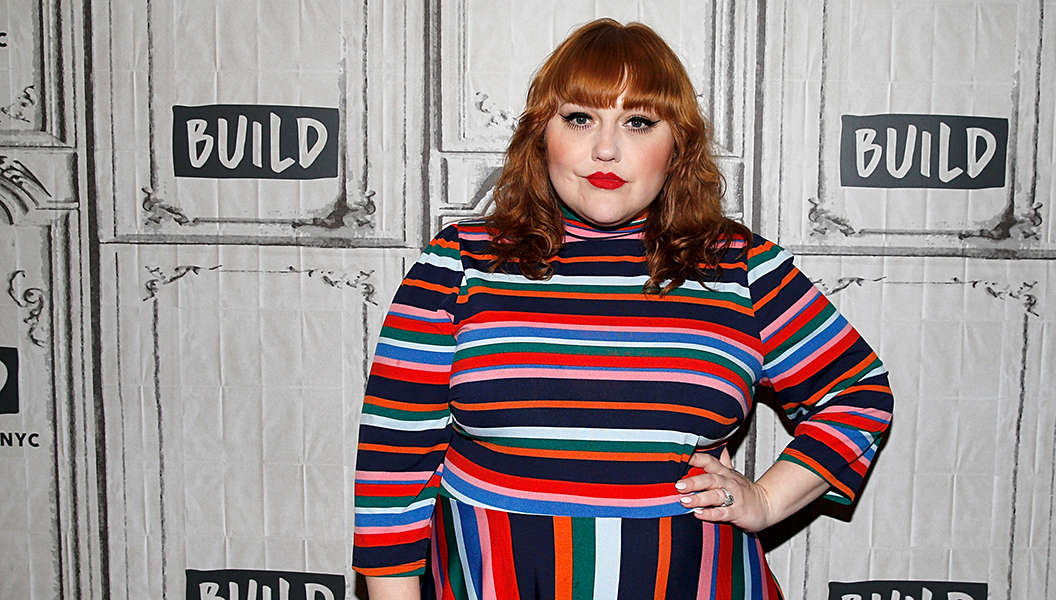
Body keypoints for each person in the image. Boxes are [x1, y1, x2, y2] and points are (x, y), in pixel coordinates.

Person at [353, 18, 892, 600]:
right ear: (542, 135)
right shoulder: (460, 263)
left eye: (638, 122)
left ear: (676, 144)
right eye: (580, 118)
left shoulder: (740, 266)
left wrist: (766, 499)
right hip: (495, 578)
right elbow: (394, 463)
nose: (606, 148)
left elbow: (858, 393)